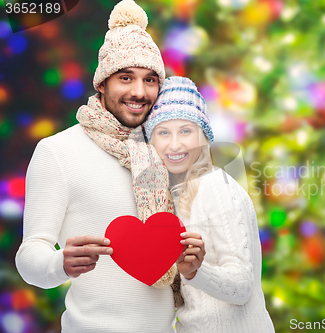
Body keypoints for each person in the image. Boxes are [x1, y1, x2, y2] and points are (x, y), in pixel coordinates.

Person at [15, 1, 203, 332]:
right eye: (126, 77)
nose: (138, 92)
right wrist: (60, 263)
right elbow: (29, 258)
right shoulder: (57, 151)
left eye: (150, 80)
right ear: (102, 83)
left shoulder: (163, 152)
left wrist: (196, 260)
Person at [144, 76, 275, 332]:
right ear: (151, 140)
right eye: (163, 132)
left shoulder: (215, 186)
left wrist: (195, 273)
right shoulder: (171, 198)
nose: (174, 144)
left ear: (202, 136)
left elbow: (242, 285)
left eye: (185, 130)